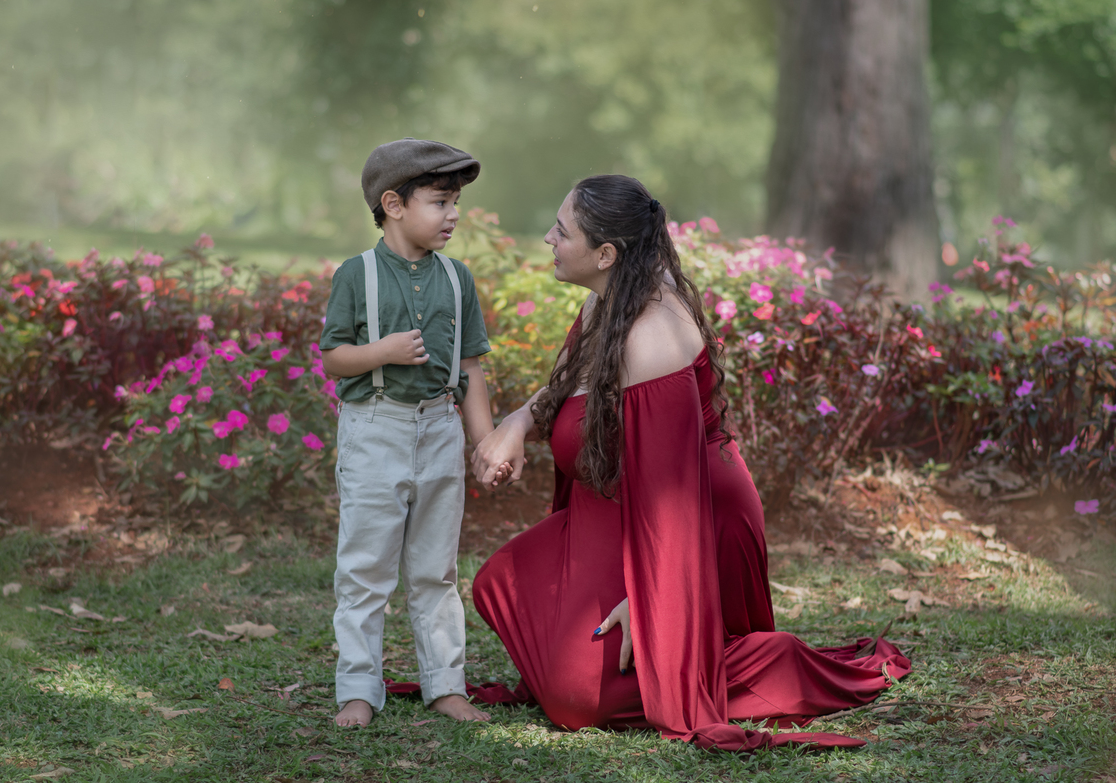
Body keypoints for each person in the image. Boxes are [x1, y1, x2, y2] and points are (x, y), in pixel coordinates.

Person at [469, 174, 911, 751]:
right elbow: (570, 386)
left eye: (562, 231)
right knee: (499, 585)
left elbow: (673, 496)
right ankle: (631, 655)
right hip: (618, 501)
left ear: (606, 253)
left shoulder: (653, 338)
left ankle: (769, 663)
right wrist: (516, 423)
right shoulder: (610, 297)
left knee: (578, 698)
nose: (549, 239)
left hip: (692, 516)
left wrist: (647, 598)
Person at [320, 138, 502, 727]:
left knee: (435, 569)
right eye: (440, 202)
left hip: (440, 431)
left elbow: (470, 367)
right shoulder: (357, 274)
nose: (453, 215)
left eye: (456, 204)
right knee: (366, 568)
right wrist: (384, 351)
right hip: (375, 429)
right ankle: (358, 688)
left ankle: (445, 685)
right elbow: (334, 359)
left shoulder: (457, 278)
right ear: (394, 204)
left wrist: (485, 442)